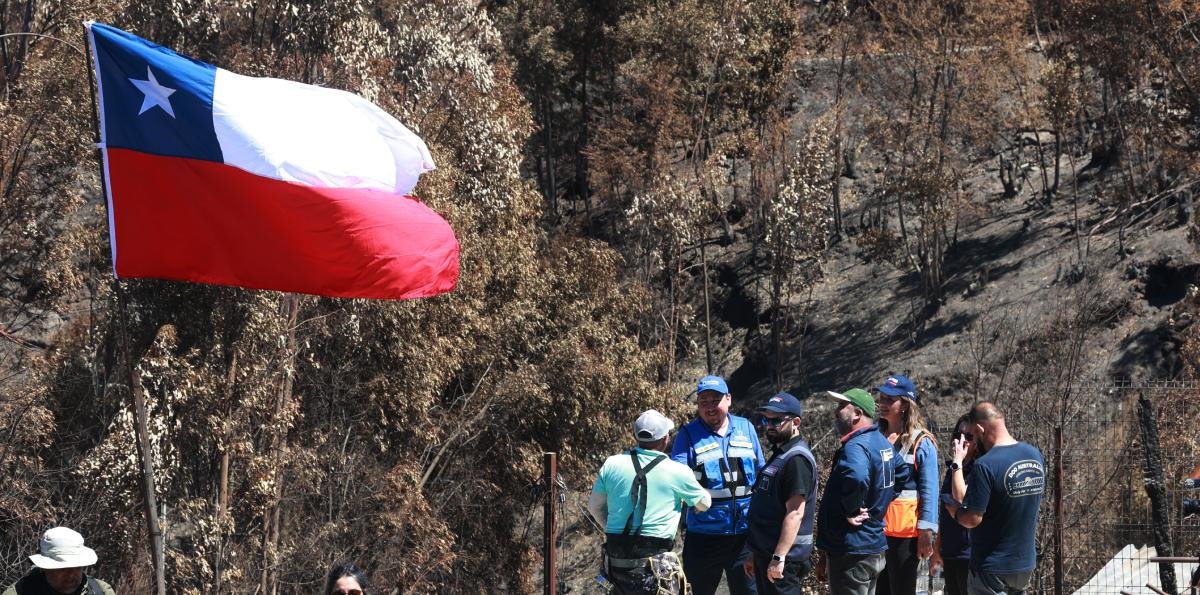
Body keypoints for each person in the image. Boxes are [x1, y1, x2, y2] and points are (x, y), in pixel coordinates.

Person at [589, 409, 712, 594]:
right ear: (666, 439)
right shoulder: (678, 471)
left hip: (615, 564)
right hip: (655, 568)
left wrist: (613, 527)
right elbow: (704, 503)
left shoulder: (611, 464)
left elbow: (594, 507)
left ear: (636, 436)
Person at [671, 375, 763, 595]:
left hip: (743, 537)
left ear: (728, 399)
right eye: (704, 402)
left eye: (715, 400)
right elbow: (677, 477)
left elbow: (761, 474)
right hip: (703, 536)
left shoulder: (746, 428)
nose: (710, 407)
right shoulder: (687, 435)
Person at [946, 402, 1045, 595]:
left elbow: (973, 518)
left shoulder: (985, 465)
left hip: (991, 568)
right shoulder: (1035, 455)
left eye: (973, 435)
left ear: (980, 429)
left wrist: (957, 514)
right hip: (1024, 566)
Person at [816, 388, 897, 595]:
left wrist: (852, 510)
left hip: (852, 550)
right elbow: (902, 473)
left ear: (858, 414)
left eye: (842, 407)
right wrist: (878, 503)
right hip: (871, 545)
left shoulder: (856, 446)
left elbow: (857, 476)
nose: (836, 412)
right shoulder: (882, 443)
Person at [742, 393, 818, 595]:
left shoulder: (796, 460)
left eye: (776, 420)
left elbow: (795, 513)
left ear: (796, 422)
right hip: (766, 554)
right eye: (766, 419)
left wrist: (779, 557)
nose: (769, 425)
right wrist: (756, 554)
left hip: (784, 559)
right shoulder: (782, 453)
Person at [874, 375, 938, 595]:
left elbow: (930, 492)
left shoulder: (922, 441)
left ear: (905, 405)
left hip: (906, 536)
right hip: (877, 532)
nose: (882, 404)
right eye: (881, 398)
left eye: (889, 399)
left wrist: (926, 533)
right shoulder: (875, 435)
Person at [931, 415, 976, 595]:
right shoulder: (953, 470)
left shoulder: (979, 469)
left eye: (969, 437)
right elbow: (946, 511)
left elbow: (962, 500)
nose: (962, 440)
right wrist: (937, 549)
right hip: (949, 553)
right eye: (958, 434)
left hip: (971, 556)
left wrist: (958, 461)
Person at [3, 527, 115, 595]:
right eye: (62, 568)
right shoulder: (19, 592)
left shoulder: (101, 591)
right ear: (44, 568)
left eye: (77, 566)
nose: (71, 574)